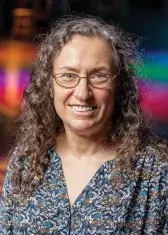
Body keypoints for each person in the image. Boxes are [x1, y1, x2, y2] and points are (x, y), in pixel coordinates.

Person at [0, 15, 167, 234]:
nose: (82, 93)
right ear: (48, 85)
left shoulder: (155, 172)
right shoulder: (24, 162)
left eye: (99, 76)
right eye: (68, 75)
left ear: (120, 86)